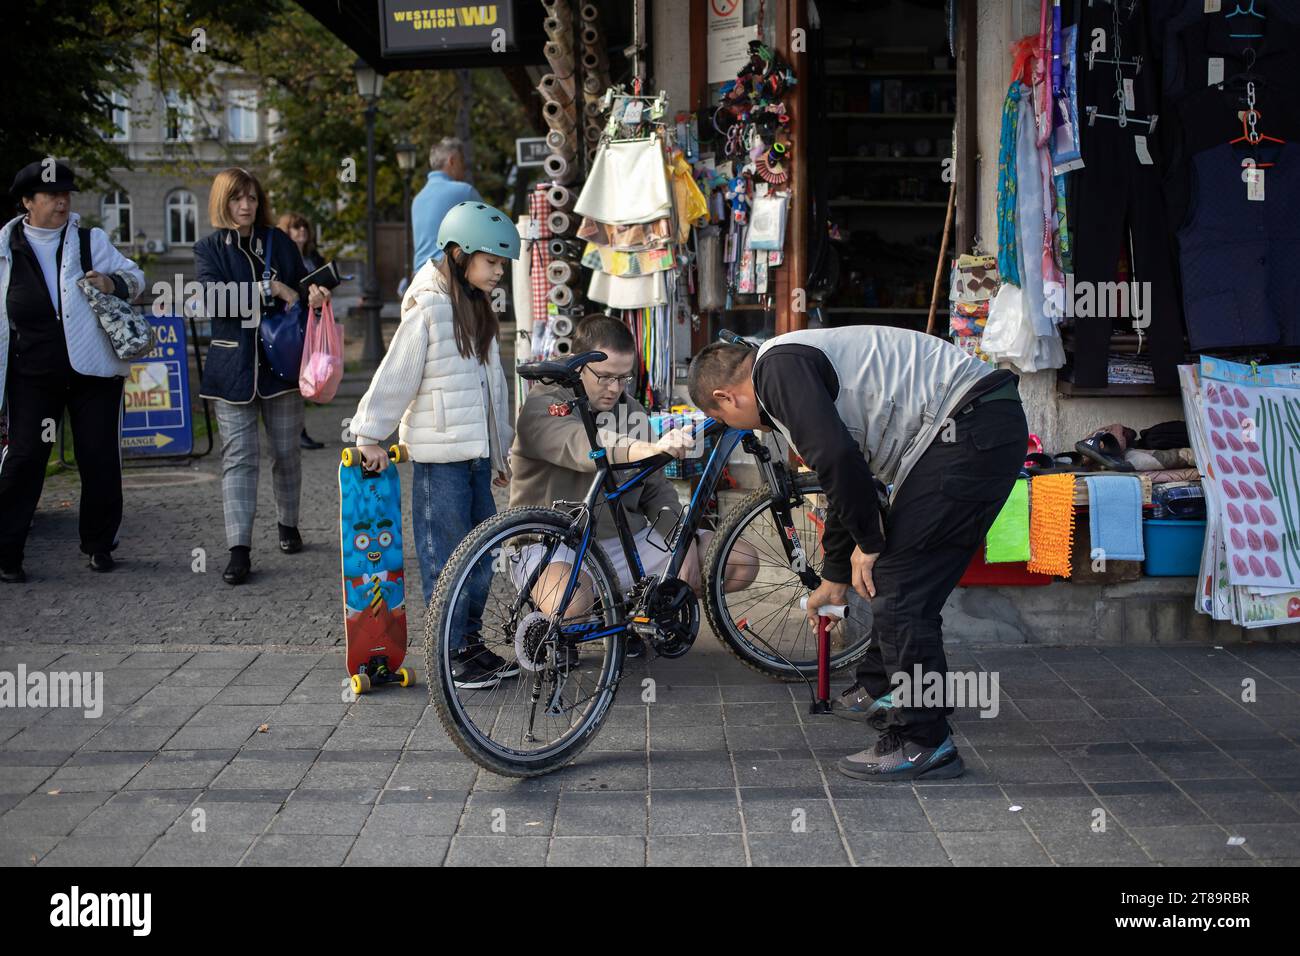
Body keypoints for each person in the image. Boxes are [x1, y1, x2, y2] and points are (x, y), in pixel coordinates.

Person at [688, 326, 1028, 782]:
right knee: (903, 581)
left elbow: (840, 462)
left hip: (968, 425)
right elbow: (847, 479)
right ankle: (882, 687)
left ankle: (924, 742)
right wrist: (835, 574)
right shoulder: (784, 367)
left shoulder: (777, 372)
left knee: (903, 587)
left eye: (726, 421)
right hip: (971, 425)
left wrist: (867, 546)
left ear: (725, 398)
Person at [508, 314, 758, 659]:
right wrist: (645, 448)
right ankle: (578, 621)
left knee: (741, 559)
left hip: (625, 543)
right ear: (578, 365)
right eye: (606, 377)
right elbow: (582, 446)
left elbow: (658, 492)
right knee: (569, 605)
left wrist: (680, 543)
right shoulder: (543, 403)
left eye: (624, 377)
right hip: (555, 546)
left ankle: (627, 615)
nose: (615, 388)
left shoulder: (631, 410)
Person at [349, 200, 516, 690]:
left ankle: (469, 643)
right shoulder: (429, 307)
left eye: (502, 264)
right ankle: (451, 653)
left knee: (482, 559)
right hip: (439, 462)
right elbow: (396, 374)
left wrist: (498, 450)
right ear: (460, 254)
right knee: (446, 558)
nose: (499, 273)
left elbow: (494, 389)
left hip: (474, 458)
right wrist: (368, 435)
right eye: (492, 262)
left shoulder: (480, 310)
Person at [0, 159, 145, 581]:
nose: (61, 202)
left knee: (98, 457)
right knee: (26, 457)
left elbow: (135, 277)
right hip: (32, 376)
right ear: (28, 202)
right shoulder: (7, 248)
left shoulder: (88, 240)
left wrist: (111, 283)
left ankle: (99, 544)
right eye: (51, 195)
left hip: (92, 373)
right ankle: (8, 551)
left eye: (66, 194)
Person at [194, 167, 330, 585]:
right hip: (232, 370)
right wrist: (267, 290)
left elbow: (302, 291)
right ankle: (239, 548)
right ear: (223, 202)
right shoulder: (209, 248)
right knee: (239, 459)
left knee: (286, 453)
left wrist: (316, 294)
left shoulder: (280, 243)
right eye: (237, 198)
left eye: (251, 198)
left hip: (283, 366)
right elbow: (212, 299)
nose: (245, 206)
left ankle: (288, 522)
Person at [277, 211, 325, 451]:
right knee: (297, 374)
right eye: (296, 228)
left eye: (304, 228)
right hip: (291, 324)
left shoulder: (313, 256)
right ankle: (297, 431)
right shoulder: (281, 256)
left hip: (312, 319)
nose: (301, 232)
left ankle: (299, 428)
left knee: (310, 371)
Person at [410, 138, 482, 275]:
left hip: (420, 278)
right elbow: (494, 229)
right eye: (462, 162)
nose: (464, 168)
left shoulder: (417, 199)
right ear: (452, 161)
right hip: (448, 278)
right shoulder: (464, 192)